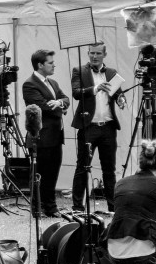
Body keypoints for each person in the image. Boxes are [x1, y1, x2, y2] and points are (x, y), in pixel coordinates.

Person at [70, 41, 125, 212]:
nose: (94, 56)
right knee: (82, 167)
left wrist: (121, 99)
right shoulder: (79, 71)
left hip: (108, 127)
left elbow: (118, 93)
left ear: (104, 55)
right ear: (88, 53)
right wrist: (95, 88)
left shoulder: (111, 72)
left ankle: (113, 207)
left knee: (109, 169)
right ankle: (78, 207)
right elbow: (76, 93)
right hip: (89, 126)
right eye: (91, 53)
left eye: (98, 53)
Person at [22, 49, 70, 216]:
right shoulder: (29, 84)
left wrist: (59, 103)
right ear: (40, 65)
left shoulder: (53, 83)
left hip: (56, 136)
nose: (53, 65)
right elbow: (41, 106)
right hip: (41, 137)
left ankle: (51, 206)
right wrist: (58, 106)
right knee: (38, 174)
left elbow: (66, 99)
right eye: (50, 63)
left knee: (52, 174)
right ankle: (37, 208)